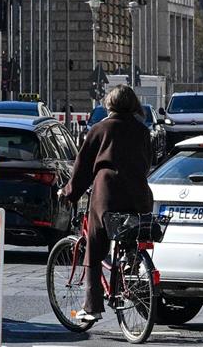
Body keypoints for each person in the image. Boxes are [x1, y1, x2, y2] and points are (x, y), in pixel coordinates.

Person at [58, 85, 154, 323]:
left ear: (109, 104)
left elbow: (82, 170)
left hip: (108, 194)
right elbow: (148, 163)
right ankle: (129, 272)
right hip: (140, 196)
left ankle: (92, 307)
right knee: (130, 234)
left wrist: (68, 192)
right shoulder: (142, 131)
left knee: (95, 243)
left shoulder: (100, 129)